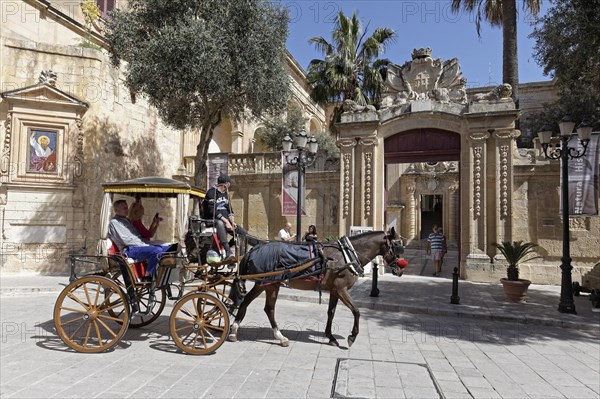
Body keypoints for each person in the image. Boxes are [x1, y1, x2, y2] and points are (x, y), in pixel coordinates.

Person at [108, 199, 176, 280]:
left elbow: (139, 237)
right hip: (129, 249)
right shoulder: (115, 222)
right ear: (116, 210)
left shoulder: (126, 221)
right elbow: (126, 240)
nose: (127, 210)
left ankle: (161, 274)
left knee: (169, 248)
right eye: (124, 208)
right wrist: (145, 245)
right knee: (157, 250)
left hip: (138, 246)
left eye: (127, 208)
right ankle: (147, 275)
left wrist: (147, 244)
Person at [202, 173, 248, 259]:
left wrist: (232, 222)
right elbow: (213, 211)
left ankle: (237, 252)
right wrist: (226, 222)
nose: (230, 185)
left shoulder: (225, 194)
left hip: (225, 221)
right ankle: (228, 251)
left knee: (242, 232)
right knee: (220, 223)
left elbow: (230, 209)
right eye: (229, 183)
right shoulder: (211, 192)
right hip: (211, 221)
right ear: (226, 184)